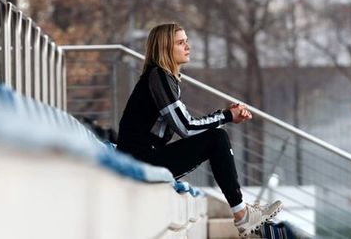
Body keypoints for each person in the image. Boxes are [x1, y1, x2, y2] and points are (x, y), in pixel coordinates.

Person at [116, 22, 282, 237]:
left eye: (186, 41)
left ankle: (242, 213)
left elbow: (187, 122)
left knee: (216, 137)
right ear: (166, 48)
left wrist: (224, 115)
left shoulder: (166, 79)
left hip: (144, 159)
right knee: (217, 139)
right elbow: (186, 128)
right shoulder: (159, 77)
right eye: (180, 42)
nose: (188, 47)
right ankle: (241, 215)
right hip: (139, 162)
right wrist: (226, 117)